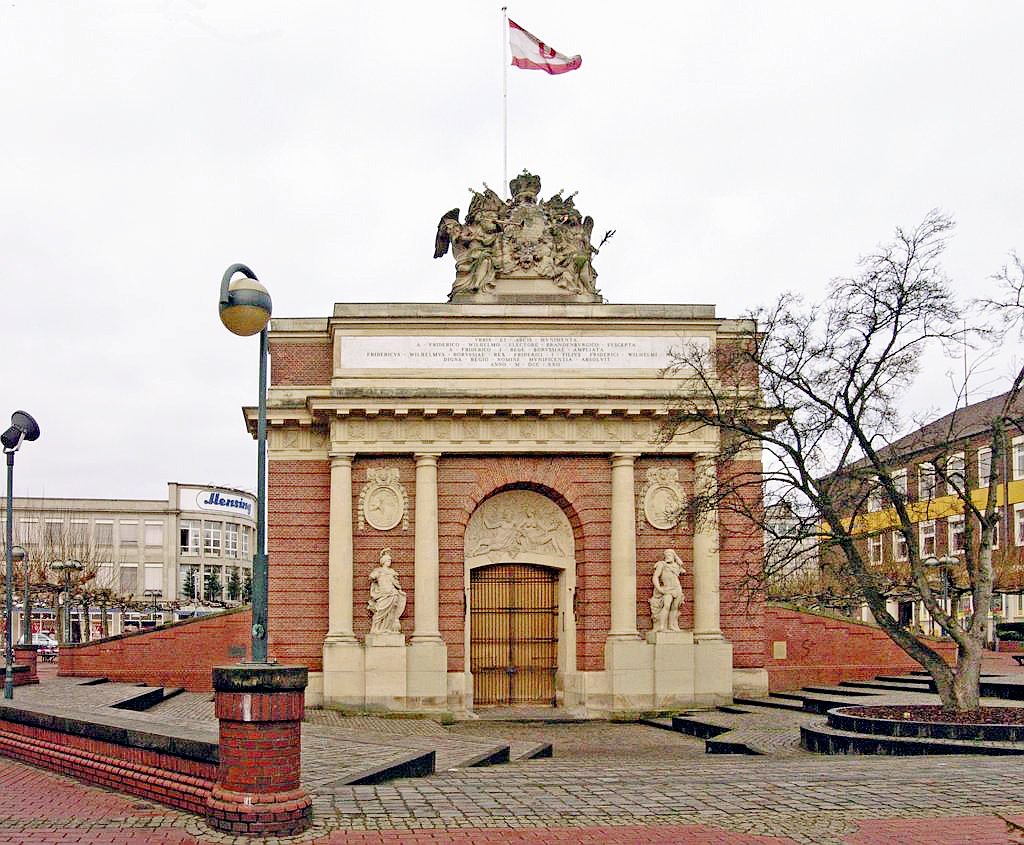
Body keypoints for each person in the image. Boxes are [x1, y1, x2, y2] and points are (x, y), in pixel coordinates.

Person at [368, 548, 406, 634]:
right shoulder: (378, 570)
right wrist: (376, 575)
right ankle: (376, 628)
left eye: (390, 560)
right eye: (388, 560)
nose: (390, 562)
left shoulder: (392, 571)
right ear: (383, 561)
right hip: (383, 594)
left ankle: (387, 628)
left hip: (393, 593)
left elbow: (396, 583)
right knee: (380, 611)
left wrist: (400, 591)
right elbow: (371, 577)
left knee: (391, 612)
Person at [649, 549, 685, 632]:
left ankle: (671, 625)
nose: (667, 557)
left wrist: (676, 558)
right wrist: (659, 588)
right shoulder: (661, 564)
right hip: (667, 588)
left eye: (669, 555)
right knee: (667, 606)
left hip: (677, 588)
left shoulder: (676, 566)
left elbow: (681, 566)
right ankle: (661, 626)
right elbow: (655, 577)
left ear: (673, 556)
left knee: (674, 607)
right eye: (666, 555)